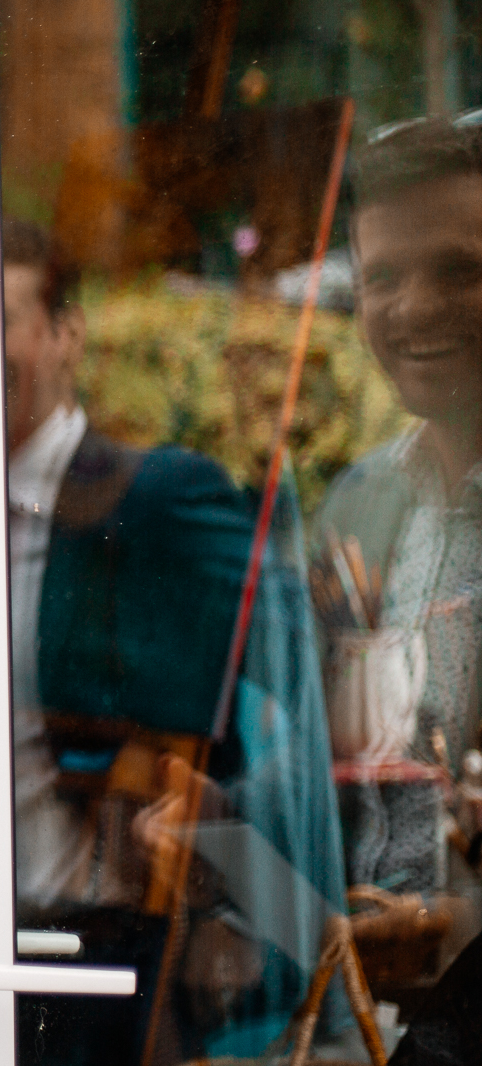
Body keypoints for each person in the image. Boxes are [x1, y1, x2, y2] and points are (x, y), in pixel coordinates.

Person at [0, 219, 344, 1063]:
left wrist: (225, 840)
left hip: (113, 964)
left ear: (65, 333)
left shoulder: (156, 498)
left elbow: (298, 659)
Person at [311, 117, 482, 944]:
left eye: (459, 270)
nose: (415, 307)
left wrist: (448, 932)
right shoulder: (358, 505)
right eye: (384, 277)